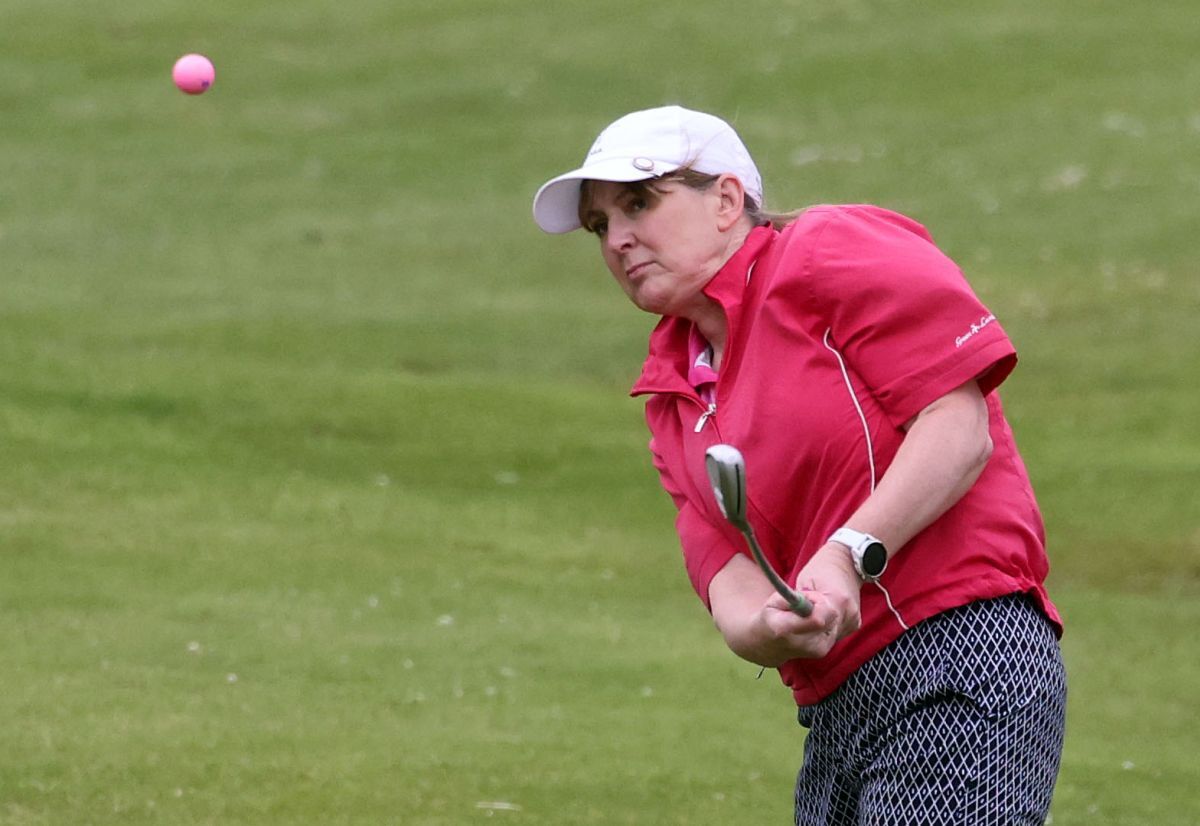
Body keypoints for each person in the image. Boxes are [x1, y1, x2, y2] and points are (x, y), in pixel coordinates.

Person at [531, 105, 1067, 825]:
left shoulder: (824, 249)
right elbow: (729, 580)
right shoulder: (671, 398)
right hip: (836, 706)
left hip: (958, 651)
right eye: (600, 226)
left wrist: (848, 555)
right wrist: (769, 627)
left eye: (639, 203)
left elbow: (958, 426)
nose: (619, 238)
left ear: (726, 200)